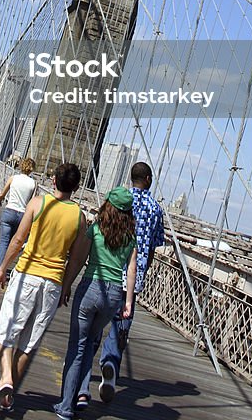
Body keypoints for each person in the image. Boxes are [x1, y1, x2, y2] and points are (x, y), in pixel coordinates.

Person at [0, 163, 85, 412]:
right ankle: (7, 396)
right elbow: (77, 258)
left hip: (27, 275)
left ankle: (6, 377)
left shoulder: (38, 204)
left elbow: (18, 239)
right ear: (76, 187)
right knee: (29, 343)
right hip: (52, 284)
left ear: (53, 181)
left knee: (5, 331)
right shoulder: (80, 217)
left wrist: (2, 269)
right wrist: (66, 285)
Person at [76, 160, 164, 407]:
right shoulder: (155, 208)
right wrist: (142, 270)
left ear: (131, 177)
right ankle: (110, 365)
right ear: (147, 179)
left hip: (105, 275)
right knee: (120, 327)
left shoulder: (118, 201)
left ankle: (82, 386)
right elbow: (153, 246)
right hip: (131, 281)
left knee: (91, 331)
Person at [53, 188, 137, 420]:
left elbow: (79, 259)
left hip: (91, 288)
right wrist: (128, 301)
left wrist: (67, 284)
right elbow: (131, 270)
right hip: (113, 297)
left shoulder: (96, 229)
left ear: (108, 205)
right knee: (90, 342)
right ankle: (81, 393)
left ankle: (66, 406)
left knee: (77, 346)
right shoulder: (130, 237)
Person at [0, 157, 37, 277]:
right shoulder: (33, 183)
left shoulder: (13, 178)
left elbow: (3, 193)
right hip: (23, 216)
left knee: (4, 242)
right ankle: (5, 268)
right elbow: (32, 202)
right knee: (14, 244)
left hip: (9, 212)